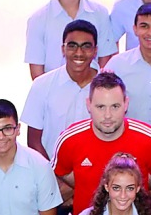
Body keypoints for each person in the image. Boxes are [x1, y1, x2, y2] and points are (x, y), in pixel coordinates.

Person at [52, 72, 151, 215]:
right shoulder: (69, 139)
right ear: (88, 105)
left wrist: (139, 183)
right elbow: (62, 171)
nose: (107, 115)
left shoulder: (150, 139)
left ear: (126, 104)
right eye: (100, 107)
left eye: (115, 106)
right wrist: (85, 182)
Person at [25, 0, 116, 80]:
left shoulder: (100, 14)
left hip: (91, 93)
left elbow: (105, 60)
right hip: (53, 94)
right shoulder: (38, 20)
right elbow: (37, 74)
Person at [22, 20, 100, 162]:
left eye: (86, 46)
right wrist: (54, 176)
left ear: (95, 51)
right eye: (72, 46)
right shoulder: (42, 86)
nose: (79, 53)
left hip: (99, 177)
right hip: (53, 177)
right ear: (63, 49)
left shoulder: (109, 88)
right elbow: (34, 142)